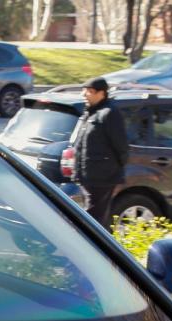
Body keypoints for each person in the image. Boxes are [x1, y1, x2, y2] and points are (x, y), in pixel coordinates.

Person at [72, 77, 129, 227]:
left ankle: (94, 247)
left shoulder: (109, 113)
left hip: (102, 178)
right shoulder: (90, 113)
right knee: (93, 217)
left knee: (94, 219)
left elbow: (121, 147)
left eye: (89, 91)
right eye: (84, 91)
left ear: (101, 93)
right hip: (87, 176)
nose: (84, 94)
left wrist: (110, 169)